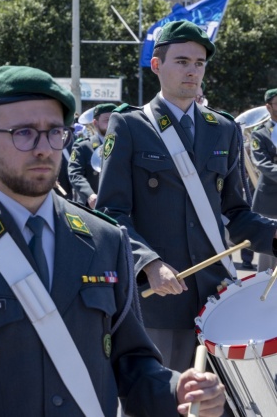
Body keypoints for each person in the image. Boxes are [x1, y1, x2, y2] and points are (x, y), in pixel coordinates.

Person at [0, 65, 226, 416]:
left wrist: (176, 390)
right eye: (23, 133)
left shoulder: (105, 239)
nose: (43, 149)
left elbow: (132, 362)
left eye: (54, 133)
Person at [97, 20, 277, 371]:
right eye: (182, 61)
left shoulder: (223, 129)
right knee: (162, 402)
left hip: (218, 297)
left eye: (199, 63)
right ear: (157, 65)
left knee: (221, 404)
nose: (192, 71)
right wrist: (148, 263)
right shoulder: (130, 126)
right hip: (160, 301)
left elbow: (235, 212)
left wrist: (272, 235)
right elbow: (111, 213)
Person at [248, 88, 277, 272]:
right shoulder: (259, 133)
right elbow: (262, 163)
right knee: (269, 252)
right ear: (268, 107)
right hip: (270, 200)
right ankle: (264, 294)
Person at [68, 103, 116, 208]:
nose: (112, 124)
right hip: (91, 207)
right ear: (95, 123)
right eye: (107, 120)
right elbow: (75, 174)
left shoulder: (125, 145)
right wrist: (89, 195)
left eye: (115, 120)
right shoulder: (83, 146)